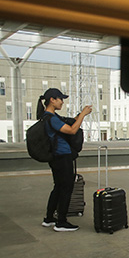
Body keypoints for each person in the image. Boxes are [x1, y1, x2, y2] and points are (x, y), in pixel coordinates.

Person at [38, 88, 92, 232]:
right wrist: (83, 114)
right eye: (60, 99)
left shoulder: (49, 116)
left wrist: (80, 115)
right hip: (62, 157)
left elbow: (71, 123)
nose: (62, 102)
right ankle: (61, 222)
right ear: (52, 100)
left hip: (57, 157)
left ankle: (49, 218)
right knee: (66, 188)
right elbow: (72, 130)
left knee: (58, 187)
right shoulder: (52, 118)